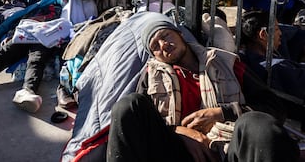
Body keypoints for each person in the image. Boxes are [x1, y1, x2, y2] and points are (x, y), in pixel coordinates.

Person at [106, 16, 300, 162]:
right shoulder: (151, 76)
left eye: (166, 36)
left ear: (180, 34)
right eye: (155, 46)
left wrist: (222, 113)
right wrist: (178, 131)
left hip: (228, 146)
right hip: (177, 152)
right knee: (127, 106)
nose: (164, 45)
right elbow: (144, 123)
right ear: (155, 56)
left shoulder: (225, 62)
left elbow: (274, 108)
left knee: (258, 124)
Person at [239, 9, 305, 100]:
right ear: (263, 34)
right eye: (277, 29)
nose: (280, 33)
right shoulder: (276, 67)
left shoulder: (243, 57)